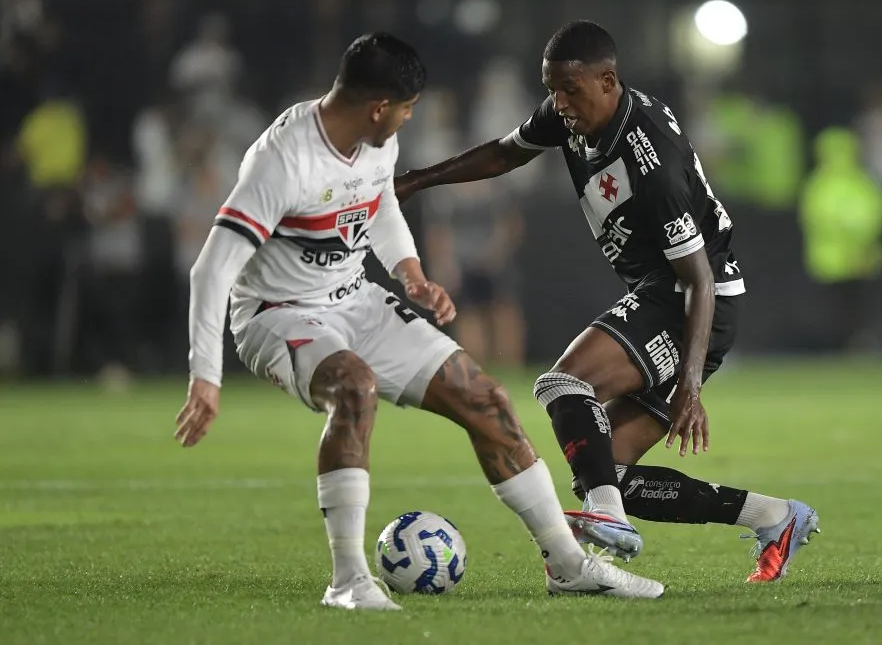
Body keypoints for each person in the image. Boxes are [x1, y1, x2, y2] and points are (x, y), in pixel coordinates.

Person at [173, 32, 664, 611]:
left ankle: (567, 564)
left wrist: (410, 273)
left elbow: (377, 203)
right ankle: (348, 581)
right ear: (379, 106)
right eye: (405, 109)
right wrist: (205, 376)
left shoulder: (375, 141)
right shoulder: (284, 160)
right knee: (354, 388)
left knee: (485, 399)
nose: (408, 120)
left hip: (355, 298)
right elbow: (211, 269)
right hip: (276, 314)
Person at [395, 21, 820, 583]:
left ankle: (608, 518)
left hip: (691, 300)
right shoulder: (572, 112)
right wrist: (419, 179)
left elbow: (697, 280)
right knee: (606, 468)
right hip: (669, 296)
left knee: (564, 384)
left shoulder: (652, 163)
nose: (559, 103)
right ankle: (776, 517)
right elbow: (505, 153)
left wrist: (690, 385)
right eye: (552, 89)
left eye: (570, 90)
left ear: (607, 80)